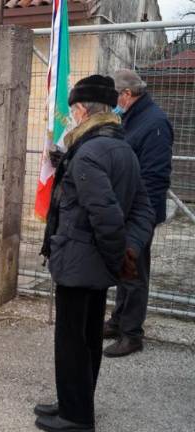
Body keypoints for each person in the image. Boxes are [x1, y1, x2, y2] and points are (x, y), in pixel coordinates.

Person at [35, 75, 155, 432]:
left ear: (84, 109)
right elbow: (143, 211)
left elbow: (106, 216)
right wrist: (126, 253)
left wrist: (120, 256)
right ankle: (76, 401)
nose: (71, 115)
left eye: (73, 109)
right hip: (95, 262)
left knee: (72, 341)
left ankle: (76, 416)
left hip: (80, 261)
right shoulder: (121, 147)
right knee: (87, 338)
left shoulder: (89, 153)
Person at [103, 69, 173, 358]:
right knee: (124, 267)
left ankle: (132, 334)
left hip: (139, 212)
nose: (112, 104)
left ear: (127, 95)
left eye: (115, 97)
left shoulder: (154, 123)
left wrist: (140, 217)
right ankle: (119, 320)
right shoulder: (131, 118)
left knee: (134, 270)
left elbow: (155, 178)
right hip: (125, 209)